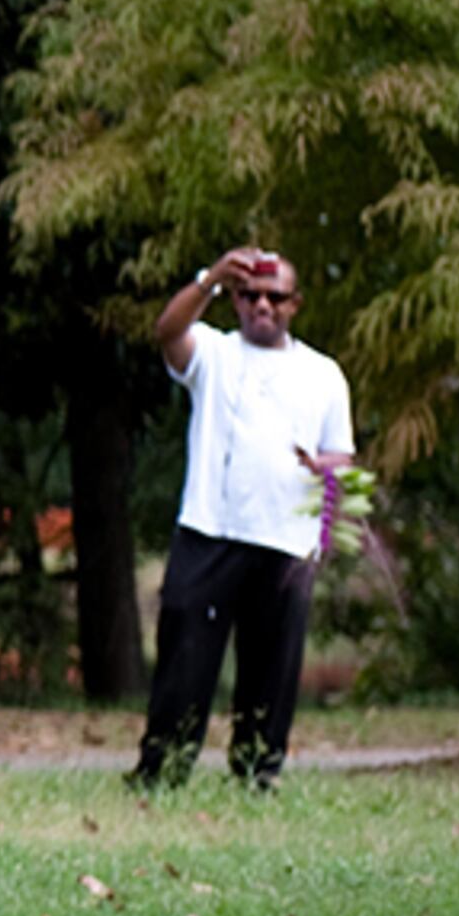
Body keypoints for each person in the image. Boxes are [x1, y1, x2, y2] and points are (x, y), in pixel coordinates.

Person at [132, 246, 353, 793]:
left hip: (287, 540)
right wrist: (209, 278)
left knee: (271, 670)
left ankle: (257, 774)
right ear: (234, 300)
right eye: (249, 295)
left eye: (274, 296)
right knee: (185, 657)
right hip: (210, 530)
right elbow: (168, 331)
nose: (262, 305)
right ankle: (162, 770)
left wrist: (327, 475)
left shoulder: (323, 375)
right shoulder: (214, 351)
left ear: (294, 304)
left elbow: (342, 463)